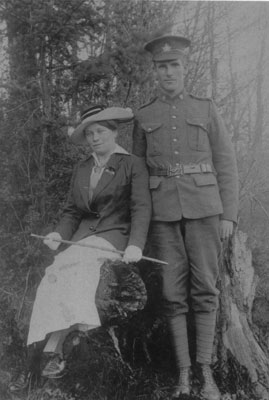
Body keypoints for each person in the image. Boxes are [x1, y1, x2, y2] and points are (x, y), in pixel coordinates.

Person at [9, 105, 151, 391]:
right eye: (89, 134)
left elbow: (141, 208)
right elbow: (72, 212)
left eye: (100, 131)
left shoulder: (131, 164)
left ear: (114, 132)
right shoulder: (83, 167)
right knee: (53, 275)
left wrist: (136, 245)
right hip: (82, 239)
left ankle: (54, 348)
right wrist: (57, 234)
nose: (95, 138)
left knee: (78, 271)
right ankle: (46, 351)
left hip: (114, 238)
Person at [132, 35, 239, 400]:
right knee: (171, 293)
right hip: (163, 215)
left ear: (184, 68)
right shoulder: (144, 116)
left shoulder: (206, 108)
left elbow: (226, 163)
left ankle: (206, 372)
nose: (168, 72)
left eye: (174, 65)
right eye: (161, 67)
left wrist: (230, 215)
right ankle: (182, 375)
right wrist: (141, 227)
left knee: (206, 288)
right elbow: (139, 177)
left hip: (206, 210)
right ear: (155, 72)